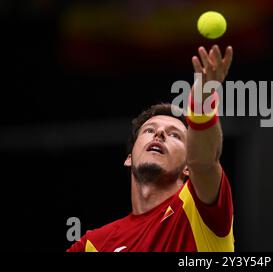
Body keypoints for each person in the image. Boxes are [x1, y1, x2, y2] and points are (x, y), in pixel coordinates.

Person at [67, 45, 234, 252]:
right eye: (149, 130)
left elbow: (205, 161)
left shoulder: (197, 209)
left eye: (174, 135)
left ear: (187, 167)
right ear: (129, 158)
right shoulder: (94, 244)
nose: (160, 134)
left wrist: (202, 103)